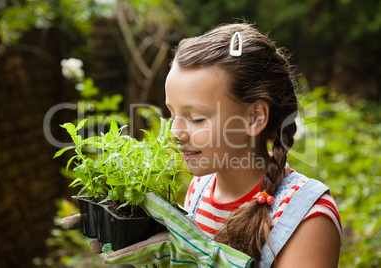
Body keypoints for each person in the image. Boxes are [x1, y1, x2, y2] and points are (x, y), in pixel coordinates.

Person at [63, 23, 342, 268]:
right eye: (172, 114)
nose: (175, 132)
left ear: (254, 117)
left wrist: (197, 256)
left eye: (196, 118)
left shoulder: (307, 216)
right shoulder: (200, 188)